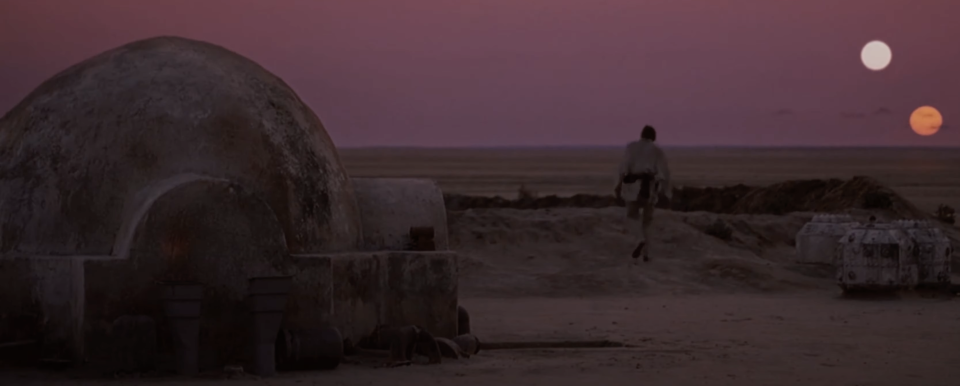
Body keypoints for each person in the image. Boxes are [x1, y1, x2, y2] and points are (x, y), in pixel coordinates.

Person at [614, 125, 672, 261]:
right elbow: (664, 172)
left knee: (632, 216)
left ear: (641, 135)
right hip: (649, 188)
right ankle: (646, 254)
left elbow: (624, 167)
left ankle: (639, 239)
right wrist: (666, 191)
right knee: (647, 222)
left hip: (632, 186)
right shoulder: (657, 151)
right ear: (653, 137)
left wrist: (618, 185)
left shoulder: (631, 147)